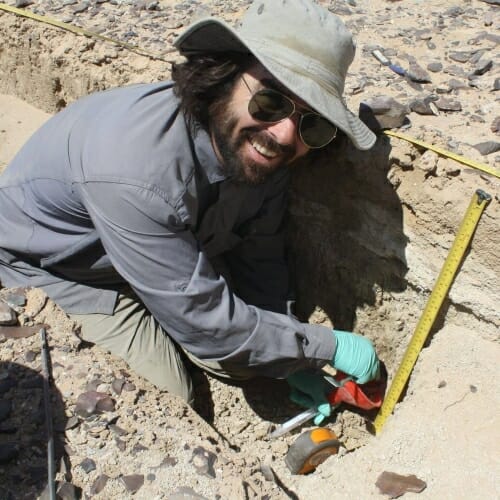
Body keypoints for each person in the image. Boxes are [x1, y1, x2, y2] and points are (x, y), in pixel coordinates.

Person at [0, 0, 380, 422]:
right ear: (223, 77)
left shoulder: (260, 150)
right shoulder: (134, 168)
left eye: (314, 123)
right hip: (59, 268)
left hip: (155, 249)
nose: (285, 134)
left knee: (243, 358)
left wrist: (287, 355)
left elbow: (261, 253)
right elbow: (207, 322)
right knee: (173, 399)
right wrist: (323, 346)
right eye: (271, 101)